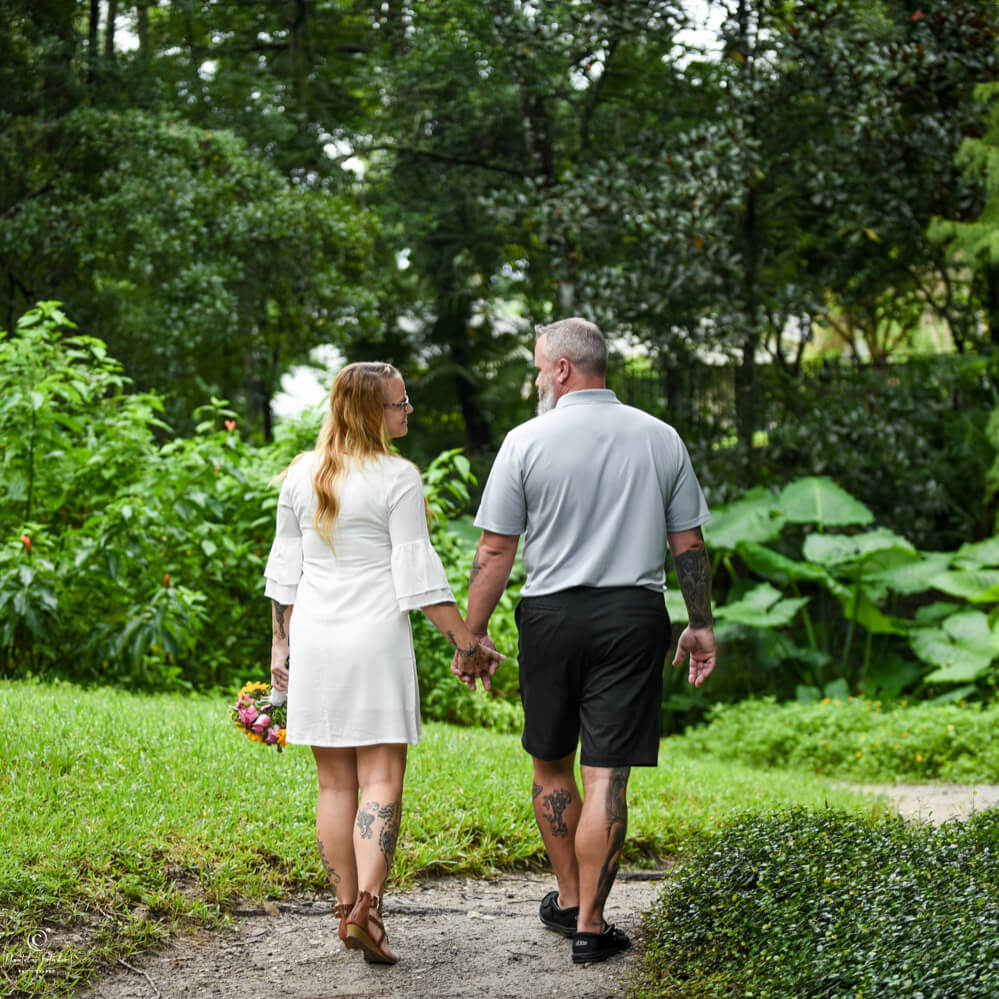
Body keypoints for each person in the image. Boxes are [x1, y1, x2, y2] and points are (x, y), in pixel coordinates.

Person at [452, 317, 716, 965]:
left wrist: (471, 635)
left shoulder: (524, 441)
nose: (538, 378)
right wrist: (699, 621)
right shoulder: (660, 437)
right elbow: (688, 544)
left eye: (541, 368)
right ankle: (591, 926)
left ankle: (568, 896)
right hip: (632, 616)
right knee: (607, 774)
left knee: (550, 762)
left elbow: (493, 549)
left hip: (548, 617)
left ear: (564, 369)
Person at [264, 361, 501, 966]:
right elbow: (418, 577)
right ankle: (369, 907)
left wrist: (279, 649)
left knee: (333, 782)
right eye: (399, 403)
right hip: (374, 641)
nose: (408, 410)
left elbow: (282, 573)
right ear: (372, 411)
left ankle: (346, 912)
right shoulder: (397, 477)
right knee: (381, 779)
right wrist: (466, 643)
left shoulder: (300, 473)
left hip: (314, 637)